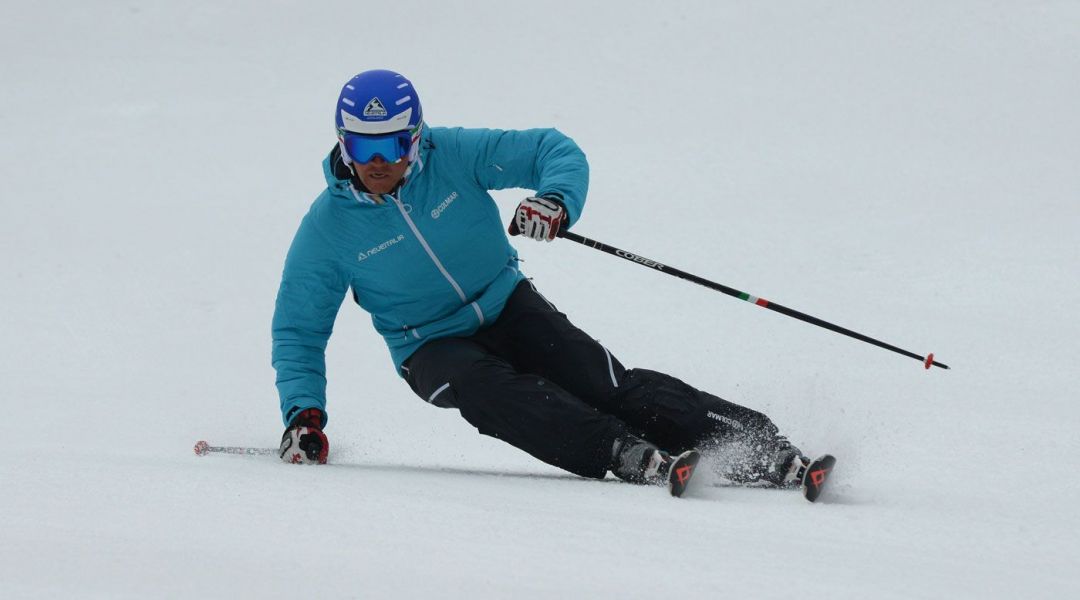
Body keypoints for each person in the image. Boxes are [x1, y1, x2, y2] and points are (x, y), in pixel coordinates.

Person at [272, 69, 809, 491]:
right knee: (494, 390)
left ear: (417, 138)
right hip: (429, 346)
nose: (378, 162)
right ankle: (621, 451)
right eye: (363, 148)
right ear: (343, 144)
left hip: (508, 303)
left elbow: (553, 149)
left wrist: (555, 201)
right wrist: (304, 414)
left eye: (392, 146)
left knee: (605, 384)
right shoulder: (328, 229)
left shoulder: (453, 154)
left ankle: (761, 448)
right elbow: (299, 329)